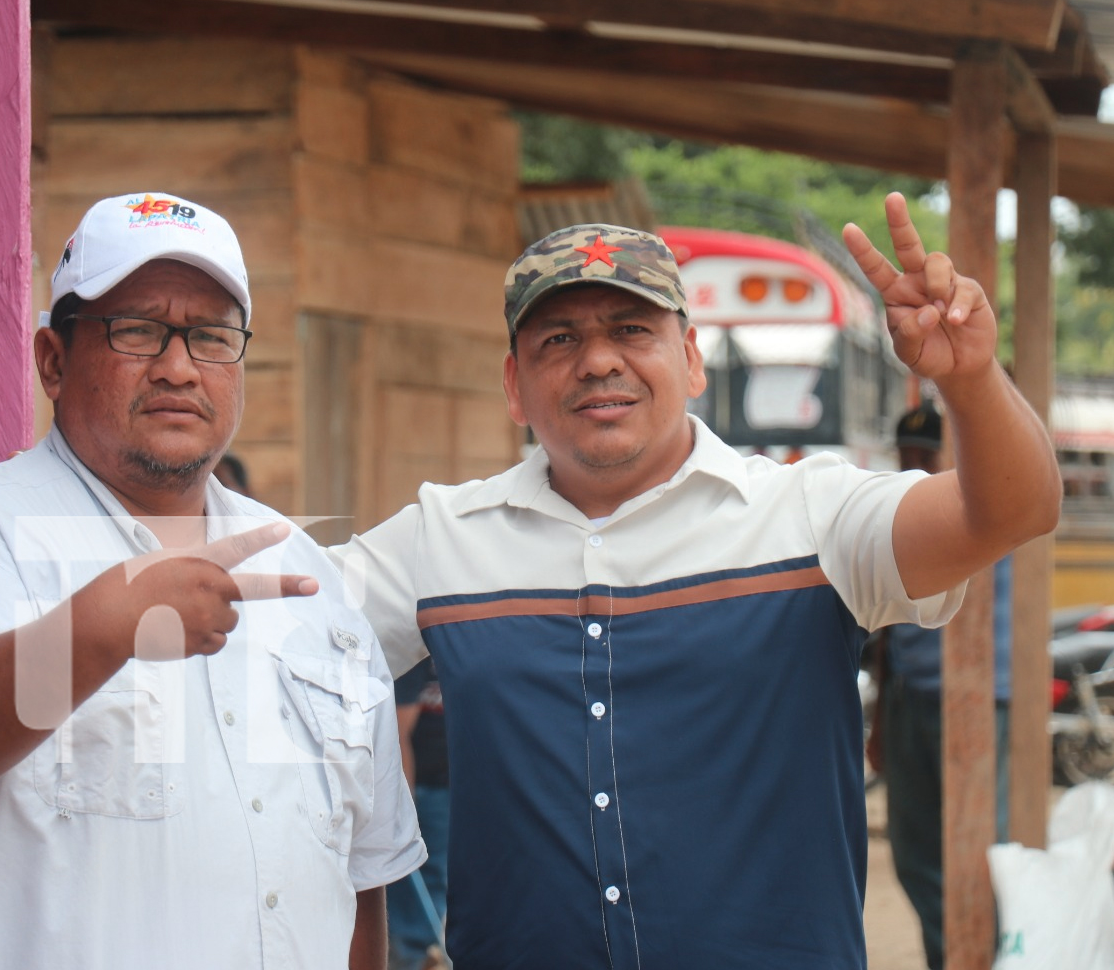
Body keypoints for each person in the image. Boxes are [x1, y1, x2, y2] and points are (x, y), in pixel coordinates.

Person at [330, 194, 1061, 969]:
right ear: (515, 383)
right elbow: (268, 633)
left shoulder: (808, 516)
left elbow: (1014, 511)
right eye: (560, 338)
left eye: (632, 329)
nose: (599, 359)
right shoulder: (443, 538)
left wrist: (973, 377)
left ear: (691, 361)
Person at [0, 192, 424, 970]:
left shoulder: (306, 577)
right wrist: (100, 629)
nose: (178, 366)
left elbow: (360, 879)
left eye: (212, 336)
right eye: (137, 330)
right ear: (54, 362)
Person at [874, 401, 1014, 970]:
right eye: (906, 455)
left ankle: (983, 953)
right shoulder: (899, 515)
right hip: (912, 696)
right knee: (913, 853)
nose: (914, 466)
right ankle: (953, 956)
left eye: (925, 456)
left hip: (980, 696)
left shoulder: (986, 505)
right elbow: (885, 630)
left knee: (978, 851)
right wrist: (882, 717)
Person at [387, 657, 451, 970]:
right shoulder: (416, 657)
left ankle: (425, 949)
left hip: (449, 781)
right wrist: (404, 803)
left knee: (439, 872)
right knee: (417, 873)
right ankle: (416, 956)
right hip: (420, 785)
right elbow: (399, 732)